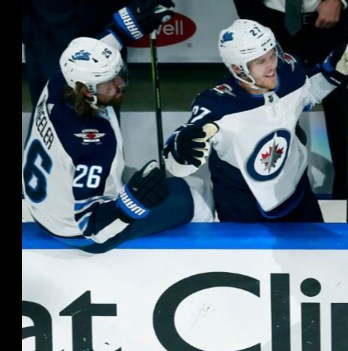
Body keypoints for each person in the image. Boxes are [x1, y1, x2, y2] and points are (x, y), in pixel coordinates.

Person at [21, 9, 214, 253]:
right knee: (197, 190)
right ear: (86, 90)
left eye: (118, 74)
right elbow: (92, 227)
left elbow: (107, 41)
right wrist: (131, 204)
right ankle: (205, 258)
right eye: (109, 81)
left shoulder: (62, 80)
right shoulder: (94, 145)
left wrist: (137, 17)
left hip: (43, 207)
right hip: (76, 231)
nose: (120, 83)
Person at [162, 18, 348, 222]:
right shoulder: (216, 104)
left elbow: (308, 92)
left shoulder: (288, 70)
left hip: (298, 194)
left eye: (272, 56)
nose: (271, 66)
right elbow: (180, 155)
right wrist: (181, 151)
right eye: (260, 61)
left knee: (320, 253)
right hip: (243, 206)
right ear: (238, 68)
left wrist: (336, 69)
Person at [232, 0, 348, 200]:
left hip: (332, 25)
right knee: (273, 114)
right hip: (270, 26)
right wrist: (253, 18)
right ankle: (281, 197)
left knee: (343, 117)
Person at [22, 0, 128, 109]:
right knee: (49, 109)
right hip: (46, 35)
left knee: (106, 108)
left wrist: (125, 24)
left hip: (107, 29)